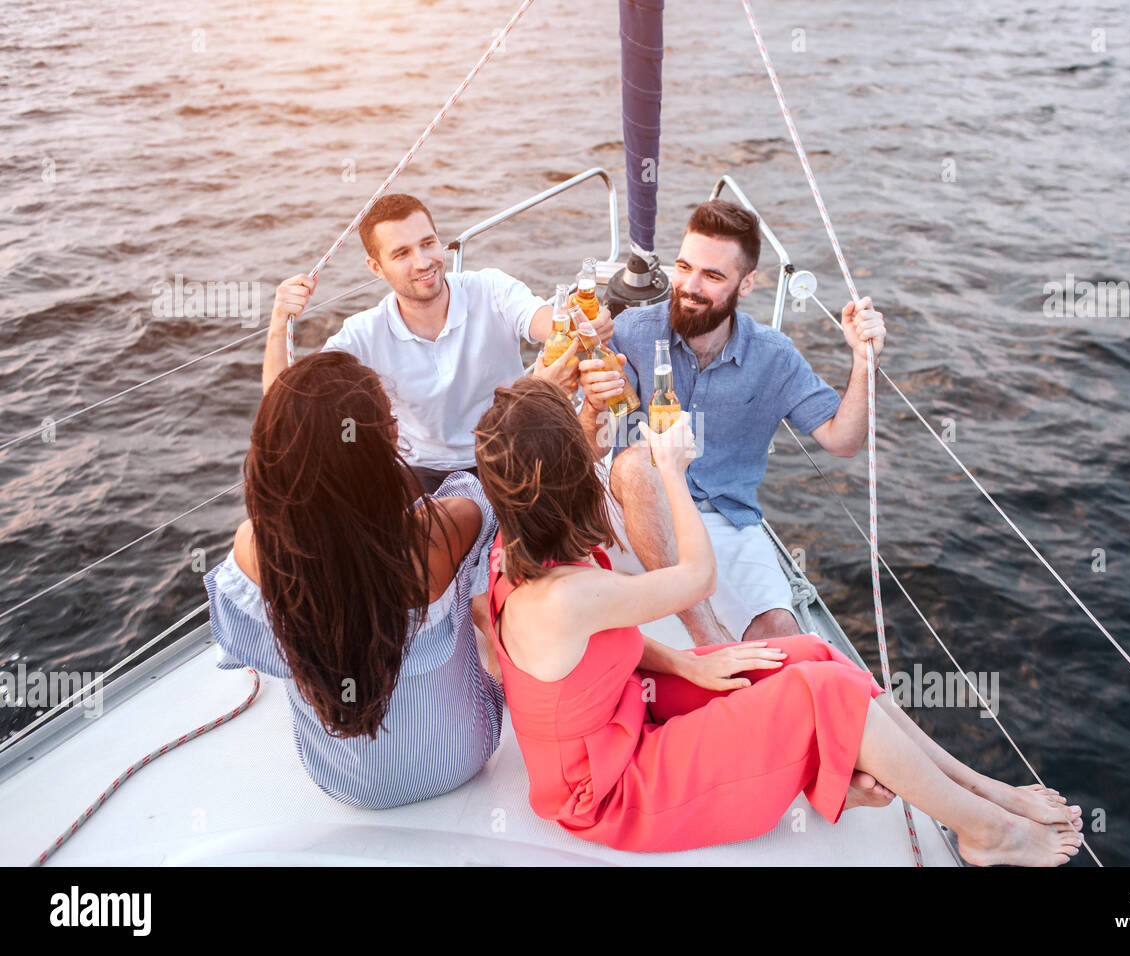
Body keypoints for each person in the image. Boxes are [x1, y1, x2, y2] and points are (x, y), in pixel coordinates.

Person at [474, 376, 1084, 862]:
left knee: (812, 654)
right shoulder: (560, 596)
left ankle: (980, 789)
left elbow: (600, 649)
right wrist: (671, 471)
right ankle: (985, 831)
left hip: (628, 713)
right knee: (815, 691)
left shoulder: (524, 543)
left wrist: (688, 661)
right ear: (570, 477)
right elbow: (696, 580)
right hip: (612, 790)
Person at [203, 350, 503, 809]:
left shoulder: (257, 548)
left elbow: (252, 648)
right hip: (465, 756)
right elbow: (492, 493)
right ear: (381, 444)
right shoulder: (441, 531)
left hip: (347, 784)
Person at [579, 199, 885, 645]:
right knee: (634, 462)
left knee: (783, 637)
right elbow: (589, 450)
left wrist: (862, 362)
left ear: (747, 284)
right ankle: (710, 640)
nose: (689, 286)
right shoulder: (631, 332)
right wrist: (592, 406)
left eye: (713, 276)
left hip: (723, 517)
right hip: (630, 509)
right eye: (684, 267)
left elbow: (843, 441)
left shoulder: (774, 355)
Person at [262, 193, 610, 496]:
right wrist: (279, 323)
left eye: (428, 243)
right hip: (420, 472)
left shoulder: (490, 289)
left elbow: (548, 323)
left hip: (509, 449)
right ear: (376, 267)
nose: (423, 262)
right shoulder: (363, 335)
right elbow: (284, 405)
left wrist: (586, 325)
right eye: (401, 253)